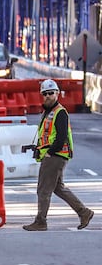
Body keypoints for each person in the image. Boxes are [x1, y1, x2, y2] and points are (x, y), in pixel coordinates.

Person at [23, 79, 94, 231]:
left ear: (57, 94)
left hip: (55, 156)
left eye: (51, 93)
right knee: (58, 188)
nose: (48, 96)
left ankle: (41, 221)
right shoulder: (48, 112)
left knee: (43, 189)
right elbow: (48, 136)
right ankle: (84, 212)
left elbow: (61, 137)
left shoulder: (60, 112)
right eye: (45, 93)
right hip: (54, 155)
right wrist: (38, 148)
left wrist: (49, 152)